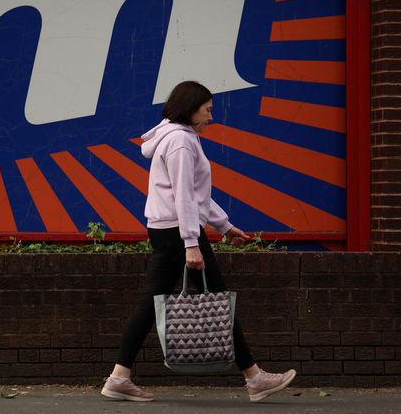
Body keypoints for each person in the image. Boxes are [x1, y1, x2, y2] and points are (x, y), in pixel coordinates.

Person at [101, 81, 296, 403]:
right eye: (207, 110)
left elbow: (195, 195)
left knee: (153, 302)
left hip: (168, 229)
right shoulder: (179, 142)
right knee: (218, 300)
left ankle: (119, 377)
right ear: (189, 109)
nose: (210, 117)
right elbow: (183, 196)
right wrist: (191, 242)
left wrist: (225, 226)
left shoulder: (177, 137)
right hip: (179, 231)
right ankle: (255, 377)